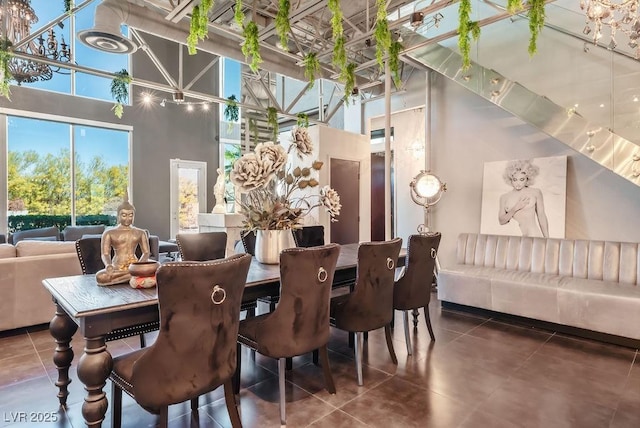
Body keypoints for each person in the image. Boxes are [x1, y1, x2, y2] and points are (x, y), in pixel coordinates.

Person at [96, 197, 151, 286]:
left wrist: (139, 265)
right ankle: (135, 278)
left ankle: (133, 277)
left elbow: (146, 253)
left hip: (135, 266)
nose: (127, 218)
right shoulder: (109, 233)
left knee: (157, 266)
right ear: (118, 216)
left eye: (130, 215)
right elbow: (105, 254)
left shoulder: (141, 232)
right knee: (100, 276)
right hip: (117, 267)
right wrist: (108, 265)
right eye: (124, 215)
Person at [498, 159, 549, 238]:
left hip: (533, 235)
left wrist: (547, 238)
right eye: (515, 180)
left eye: (522, 179)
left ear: (527, 179)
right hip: (514, 238)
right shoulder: (504, 197)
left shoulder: (535, 192)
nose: (518, 183)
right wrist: (515, 208)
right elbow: (501, 221)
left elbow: (541, 216)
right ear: (510, 179)